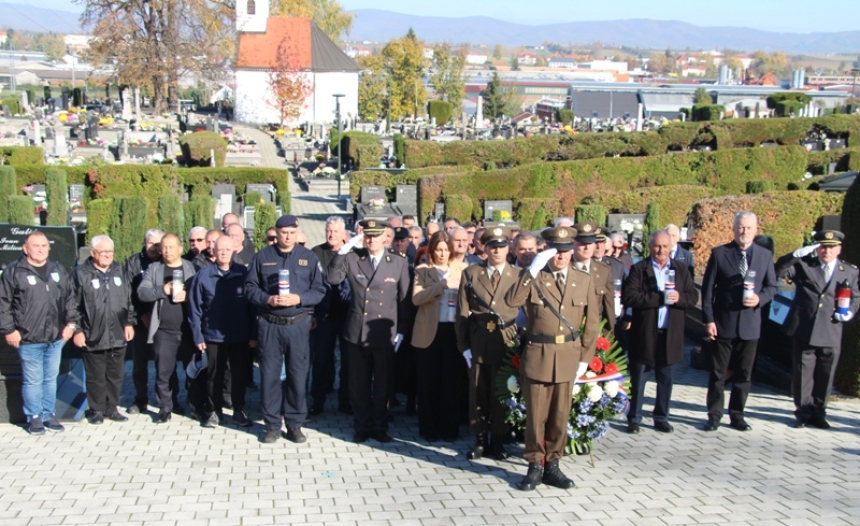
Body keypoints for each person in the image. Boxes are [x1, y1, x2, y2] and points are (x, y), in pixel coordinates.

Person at [505, 227, 599, 491]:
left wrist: (584, 358)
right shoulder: (535, 277)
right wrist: (531, 270)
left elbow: (592, 323)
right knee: (536, 416)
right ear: (547, 251)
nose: (562, 256)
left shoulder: (584, 280)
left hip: (568, 356)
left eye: (566, 251)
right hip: (538, 355)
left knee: (560, 415)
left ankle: (553, 465)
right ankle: (535, 465)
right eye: (556, 250)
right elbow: (511, 301)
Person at [327, 219, 411, 443]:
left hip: (384, 332)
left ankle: (380, 427)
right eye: (367, 235)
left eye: (375, 235)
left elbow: (404, 300)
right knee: (358, 384)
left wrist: (402, 330)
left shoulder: (398, 262)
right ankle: (362, 427)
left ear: (385, 236)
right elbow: (332, 278)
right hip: (357, 331)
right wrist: (344, 249)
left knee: (383, 384)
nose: (371, 239)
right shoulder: (354, 258)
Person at [245, 215, 326, 444]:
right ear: (277, 233)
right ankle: (271, 425)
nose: (288, 236)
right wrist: (268, 299)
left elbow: (320, 290)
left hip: (298, 325)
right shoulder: (262, 257)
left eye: (292, 232)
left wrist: (300, 298)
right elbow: (249, 288)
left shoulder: (308, 258)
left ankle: (294, 424)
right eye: (283, 232)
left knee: (297, 377)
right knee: (269, 376)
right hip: (269, 324)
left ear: (297, 233)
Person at [701, 211, 778, 432]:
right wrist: (709, 320)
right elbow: (707, 291)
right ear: (734, 229)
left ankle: (737, 415)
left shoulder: (764, 256)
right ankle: (714, 415)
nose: (744, 232)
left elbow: (772, 286)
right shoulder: (719, 253)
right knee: (718, 373)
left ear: (756, 229)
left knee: (744, 374)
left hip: (750, 325)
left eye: (749, 228)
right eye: (741, 228)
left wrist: (760, 299)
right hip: (723, 323)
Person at [775, 231, 860, 429]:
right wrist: (795, 255)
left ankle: (819, 412)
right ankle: (803, 413)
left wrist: (850, 313)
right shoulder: (805, 265)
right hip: (805, 328)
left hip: (831, 329)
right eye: (823, 246)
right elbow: (777, 271)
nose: (826, 251)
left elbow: (856, 297)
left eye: (831, 247)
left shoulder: (849, 271)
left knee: (826, 373)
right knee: (803, 373)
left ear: (839, 249)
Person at [0, 231, 76, 435]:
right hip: (28, 337)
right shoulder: (14, 271)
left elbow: (69, 298)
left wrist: (71, 324)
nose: (41, 249)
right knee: (33, 379)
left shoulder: (57, 268)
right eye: (36, 246)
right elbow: (3, 303)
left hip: (55, 337)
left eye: (44, 246)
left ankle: (48, 414)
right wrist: (9, 330)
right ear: (26, 248)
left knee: (50, 379)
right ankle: (34, 417)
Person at [623, 230, 698, 434]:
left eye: (665, 246)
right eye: (657, 246)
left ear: (671, 247)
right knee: (639, 378)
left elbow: (692, 296)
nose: (661, 250)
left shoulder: (681, 269)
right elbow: (629, 297)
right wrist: (659, 297)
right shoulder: (639, 269)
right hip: (645, 332)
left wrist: (679, 298)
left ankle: (661, 417)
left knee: (666, 379)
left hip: (670, 333)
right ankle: (635, 417)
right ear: (650, 247)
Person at [456, 226, 518, 460]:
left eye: (502, 246)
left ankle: (498, 439)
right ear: (485, 247)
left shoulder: (518, 275)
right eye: (493, 246)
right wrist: (464, 347)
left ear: (508, 248)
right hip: (479, 339)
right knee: (478, 391)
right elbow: (462, 312)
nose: (497, 251)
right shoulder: (471, 273)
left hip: (506, 339)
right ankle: (480, 439)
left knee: (502, 392)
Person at [187, 235, 256, 428]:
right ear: (214, 252)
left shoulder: (244, 274)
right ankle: (214, 410)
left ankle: (238, 410)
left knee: (239, 374)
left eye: (227, 249)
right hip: (213, 336)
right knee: (213, 374)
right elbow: (195, 309)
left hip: (240, 336)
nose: (224, 253)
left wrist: (254, 334)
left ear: (234, 250)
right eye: (220, 250)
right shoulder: (203, 276)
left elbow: (253, 308)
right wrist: (197, 335)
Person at [71, 235, 136, 425]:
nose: (108, 255)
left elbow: (129, 300)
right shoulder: (81, 273)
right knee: (96, 375)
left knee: (115, 375)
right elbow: (72, 305)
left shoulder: (119, 270)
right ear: (92, 253)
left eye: (110, 251)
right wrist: (77, 330)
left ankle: (111, 407)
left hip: (117, 332)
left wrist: (129, 323)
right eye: (103, 251)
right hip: (93, 333)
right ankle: (96, 409)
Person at [411, 232, 469, 441]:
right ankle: (429, 429)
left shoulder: (462, 270)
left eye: (446, 249)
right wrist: (439, 286)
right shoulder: (422, 271)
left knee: (451, 382)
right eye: (439, 249)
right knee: (428, 382)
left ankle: (450, 429)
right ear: (432, 250)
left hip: (453, 331)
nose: (443, 253)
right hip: (429, 331)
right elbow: (417, 298)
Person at [138, 234, 197, 424]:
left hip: (188, 329)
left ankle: (195, 405)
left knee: (193, 370)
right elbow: (142, 293)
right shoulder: (154, 269)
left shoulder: (191, 268)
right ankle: (165, 407)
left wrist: (188, 297)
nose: (168, 251)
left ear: (180, 248)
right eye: (164, 247)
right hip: (164, 330)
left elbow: (202, 295)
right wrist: (163, 290)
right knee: (163, 372)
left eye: (172, 247)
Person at [310, 216, 352, 416]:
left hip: (348, 317)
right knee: (320, 361)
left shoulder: (353, 254)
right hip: (323, 316)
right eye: (329, 230)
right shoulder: (316, 253)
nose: (332, 234)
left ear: (344, 233)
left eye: (336, 231)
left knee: (348, 362)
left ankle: (346, 402)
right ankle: (317, 401)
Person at [125, 228, 166, 414]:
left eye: (158, 244)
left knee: (164, 364)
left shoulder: (167, 261)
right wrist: (139, 317)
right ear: (144, 242)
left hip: (163, 321)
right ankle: (140, 399)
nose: (154, 247)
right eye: (150, 243)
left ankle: (166, 400)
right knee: (139, 365)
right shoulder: (134, 262)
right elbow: (129, 294)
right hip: (141, 321)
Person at [571, 222, 615, 332]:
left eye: (590, 243)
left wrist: (607, 336)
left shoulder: (603, 270)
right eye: (582, 243)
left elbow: (608, 307)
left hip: (595, 331)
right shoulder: (563, 268)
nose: (586, 247)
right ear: (573, 243)